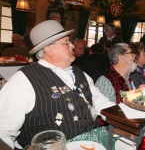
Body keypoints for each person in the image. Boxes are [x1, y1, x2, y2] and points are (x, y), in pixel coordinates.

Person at [0, 20, 115, 149]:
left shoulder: (79, 72)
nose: (72, 46)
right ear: (49, 50)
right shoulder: (22, 81)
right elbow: (3, 131)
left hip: (92, 143)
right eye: (66, 42)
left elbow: (99, 101)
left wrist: (124, 116)